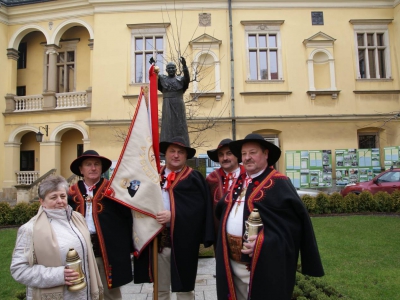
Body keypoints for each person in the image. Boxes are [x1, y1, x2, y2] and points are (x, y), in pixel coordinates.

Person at [215, 133, 324, 300]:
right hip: (233, 264)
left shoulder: (279, 183)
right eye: (244, 154)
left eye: (253, 152)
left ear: (266, 154)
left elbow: (292, 229)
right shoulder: (241, 181)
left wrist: (263, 243)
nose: (247, 158)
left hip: (264, 265)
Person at [135, 136, 214, 300]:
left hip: (184, 242)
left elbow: (199, 211)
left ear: (186, 156)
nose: (176, 155)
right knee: (161, 287)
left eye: (181, 152)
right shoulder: (153, 176)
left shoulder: (194, 178)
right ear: (166, 154)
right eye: (172, 151)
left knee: (184, 288)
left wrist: (173, 215)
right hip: (158, 242)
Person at [10, 175, 103, 300]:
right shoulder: (30, 229)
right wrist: (59, 275)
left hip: (84, 293)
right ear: (42, 201)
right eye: (53, 197)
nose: (60, 201)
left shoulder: (77, 219)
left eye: (63, 196)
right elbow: (19, 270)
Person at [68, 150, 133, 300]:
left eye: (96, 164)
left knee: (110, 293)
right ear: (81, 169)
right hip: (79, 251)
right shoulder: (70, 194)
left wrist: (128, 247)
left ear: (102, 168)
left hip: (108, 252)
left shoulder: (114, 191)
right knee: (81, 292)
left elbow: (127, 219)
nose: (93, 168)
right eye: (88, 164)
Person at [206, 138, 245, 239]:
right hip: (219, 234)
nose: (225, 158)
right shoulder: (211, 179)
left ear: (237, 155)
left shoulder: (248, 176)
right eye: (221, 154)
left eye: (229, 153)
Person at [158, 58, 191, 147]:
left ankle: (182, 145)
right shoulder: (162, 79)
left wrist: (184, 66)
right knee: (167, 125)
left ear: (176, 70)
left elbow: (187, 78)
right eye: (169, 68)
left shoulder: (181, 79)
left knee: (180, 125)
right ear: (166, 70)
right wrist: (153, 66)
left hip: (178, 104)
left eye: (173, 68)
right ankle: (165, 146)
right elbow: (154, 80)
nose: (171, 70)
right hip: (167, 105)